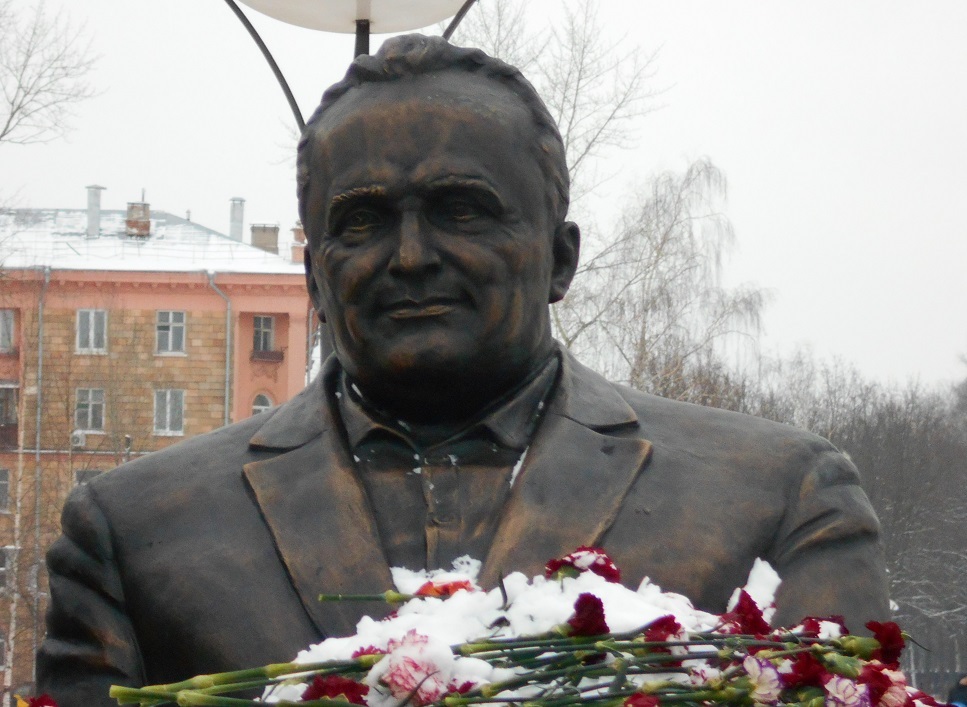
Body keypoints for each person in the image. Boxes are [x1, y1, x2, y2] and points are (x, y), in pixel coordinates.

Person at [36, 35, 890, 706]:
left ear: (560, 258)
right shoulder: (139, 529)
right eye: (363, 221)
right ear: (314, 275)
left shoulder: (771, 497)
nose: (410, 256)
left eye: (461, 210)